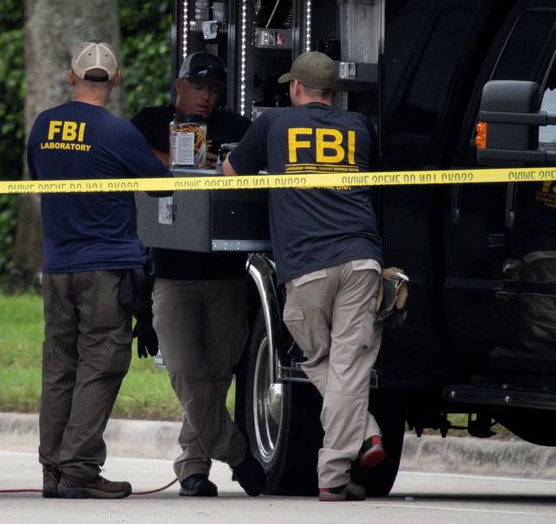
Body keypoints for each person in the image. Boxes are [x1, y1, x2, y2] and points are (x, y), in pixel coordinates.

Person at [223, 51, 386, 502]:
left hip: (306, 268)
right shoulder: (358, 127)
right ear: (333, 93)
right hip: (360, 259)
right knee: (348, 367)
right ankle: (365, 433)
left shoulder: (273, 123)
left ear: (295, 87)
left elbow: (230, 173)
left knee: (320, 362)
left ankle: (333, 474)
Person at [27, 40, 171, 500]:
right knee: (101, 365)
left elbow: (36, 173)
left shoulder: (43, 126)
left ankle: (52, 468)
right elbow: (160, 188)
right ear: (115, 80)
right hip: (106, 268)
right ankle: (80, 469)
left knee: (59, 365)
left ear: (71, 76)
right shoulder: (118, 132)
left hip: (57, 266)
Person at [130, 52, 265, 497]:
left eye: (213, 89)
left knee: (217, 374)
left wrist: (218, 164)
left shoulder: (238, 129)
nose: (206, 96)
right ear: (179, 85)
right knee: (187, 372)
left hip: (226, 273)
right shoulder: (150, 121)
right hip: (171, 271)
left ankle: (192, 465)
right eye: (198, 86)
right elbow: (129, 156)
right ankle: (238, 454)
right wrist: (182, 157)